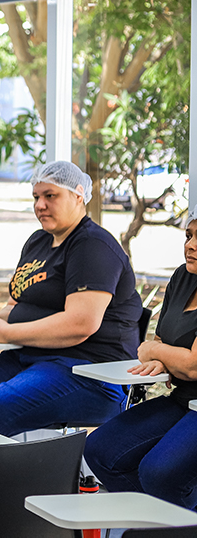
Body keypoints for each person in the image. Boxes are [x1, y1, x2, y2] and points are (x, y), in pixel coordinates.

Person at [0, 160, 142, 440]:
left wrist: (5, 333)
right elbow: (17, 303)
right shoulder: (38, 241)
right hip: (32, 356)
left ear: (78, 196)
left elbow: (80, 324)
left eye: (50, 196)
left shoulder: (93, 246)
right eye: (36, 197)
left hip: (88, 372)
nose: (40, 205)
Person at [84, 210, 197, 510]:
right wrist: (162, 358)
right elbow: (161, 342)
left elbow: (191, 365)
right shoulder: (183, 277)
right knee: (100, 449)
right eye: (188, 235)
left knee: (158, 472)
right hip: (182, 399)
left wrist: (157, 354)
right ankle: (161, 523)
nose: (191, 245)